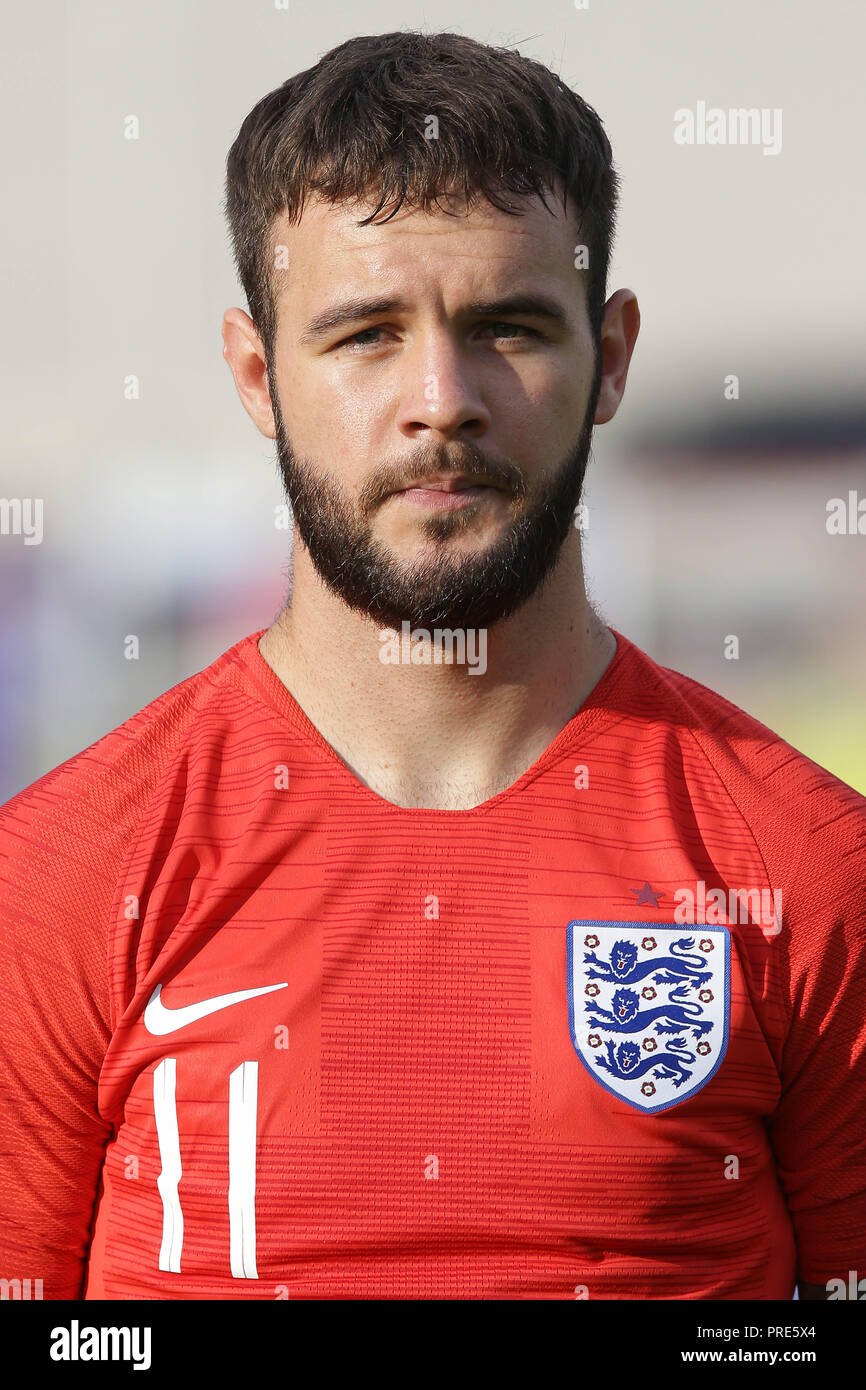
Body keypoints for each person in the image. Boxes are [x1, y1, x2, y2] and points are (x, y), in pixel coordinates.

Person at [1, 30, 863, 1302]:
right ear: (256, 374)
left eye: (508, 326)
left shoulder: (804, 867)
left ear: (610, 355)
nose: (441, 399)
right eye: (362, 335)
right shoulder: (65, 877)